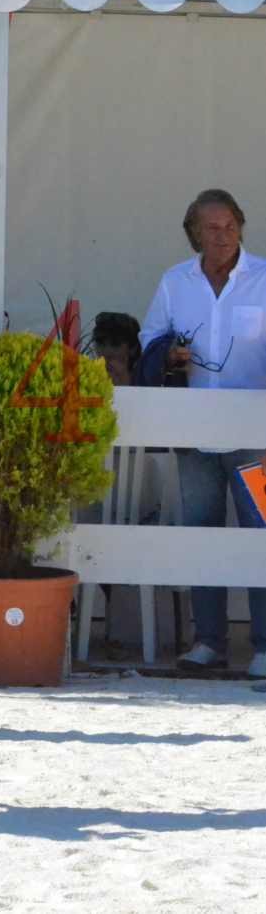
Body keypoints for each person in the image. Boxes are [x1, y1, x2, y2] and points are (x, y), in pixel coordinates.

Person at [138, 187, 266, 678]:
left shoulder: (262, 278)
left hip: (256, 437)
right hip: (194, 434)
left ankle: (264, 645)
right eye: (212, 228)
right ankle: (208, 642)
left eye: (231, 226)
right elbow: (151, 336)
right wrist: (168, 353)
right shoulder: (176, 282)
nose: (224, 236)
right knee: (201, 536)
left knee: (261, 535)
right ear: (194, 234)